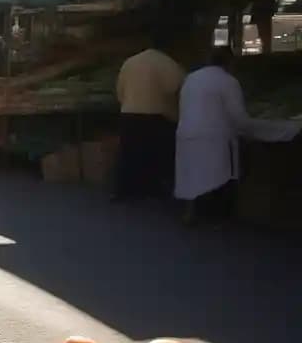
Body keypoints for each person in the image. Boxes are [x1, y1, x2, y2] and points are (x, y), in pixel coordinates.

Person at [174, 47, 300, 225]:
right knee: (219, 176)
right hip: (215, 138)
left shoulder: (191, 78)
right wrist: (272, 128)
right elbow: (239, 118)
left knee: (192, 175)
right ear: (230, 63)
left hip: (187, 134)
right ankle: (217, 216)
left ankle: (191, 212)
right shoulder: (228, 82)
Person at [113, 35, 184, 201]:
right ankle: (152, 189)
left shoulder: (130, 62)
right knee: (154, 154)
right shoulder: (168, 63)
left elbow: (119, 90)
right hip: (155, 114)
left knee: (128, 154)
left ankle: (124, 191)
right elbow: (175, 88)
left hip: (129, 112)